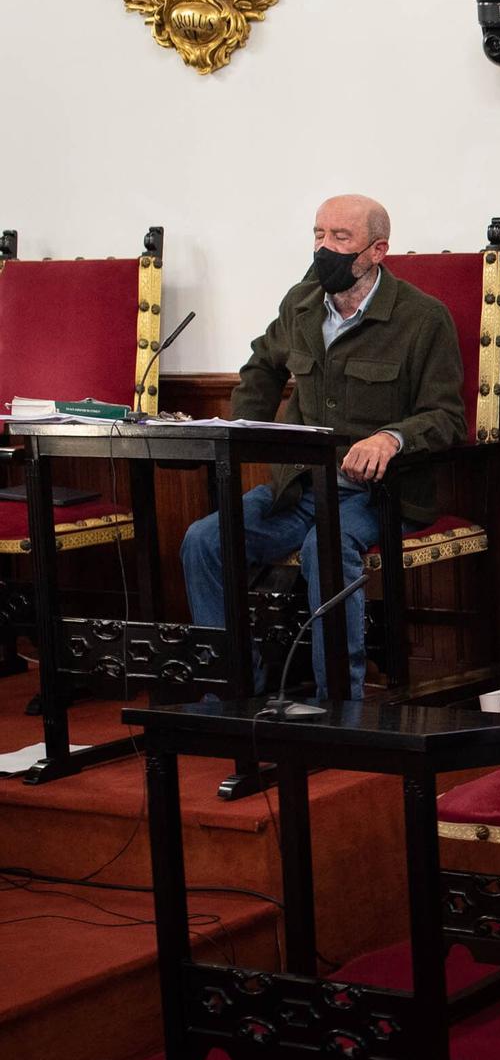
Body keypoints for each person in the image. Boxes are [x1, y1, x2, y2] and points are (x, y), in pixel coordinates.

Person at [181, 194, 465, 698]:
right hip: (301, 487)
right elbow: (261, 367)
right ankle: (232, 686)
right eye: (318, 234)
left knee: (326, 546)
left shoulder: (423, 319)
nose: (323, 248)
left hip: (380, 495)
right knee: (205, 539)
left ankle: (338, 704)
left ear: (377, 250)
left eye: (340, 238)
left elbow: (446, 418)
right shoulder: (301, 302)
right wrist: (242, 434)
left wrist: (391, 437)